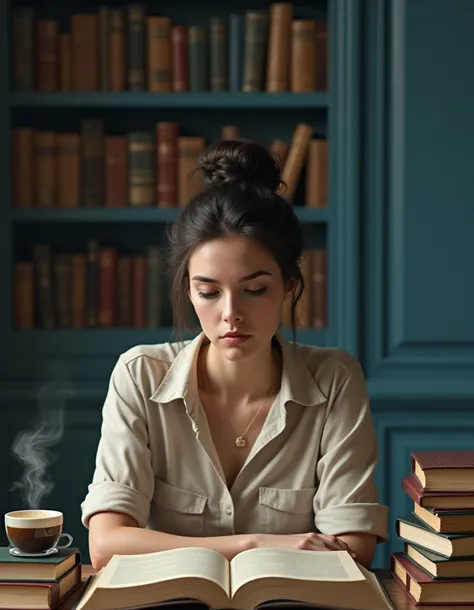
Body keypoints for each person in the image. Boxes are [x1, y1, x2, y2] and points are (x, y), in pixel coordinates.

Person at [81, 139, 388, 571]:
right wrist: (251, 545)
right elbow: (107, 544)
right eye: (208, 292)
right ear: (189, 290)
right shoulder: (141, 375)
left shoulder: (334, 378)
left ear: (289, 287)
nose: (230, 315)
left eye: (255, 290)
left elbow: (353, 546)